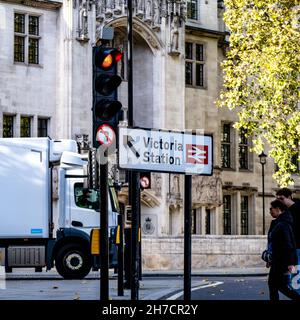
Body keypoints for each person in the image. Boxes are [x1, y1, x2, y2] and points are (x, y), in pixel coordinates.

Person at [264, 199, 300, 300]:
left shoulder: (283, 224)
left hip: (282, 261)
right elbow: (273, 243)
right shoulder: (279, 222)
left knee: (277, 285)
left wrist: (290, 263)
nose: (270, 211)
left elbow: (288, 244)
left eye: (271, 209)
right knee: (277, 285)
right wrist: (269, 258)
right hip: (278, 260)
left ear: (278, 209)